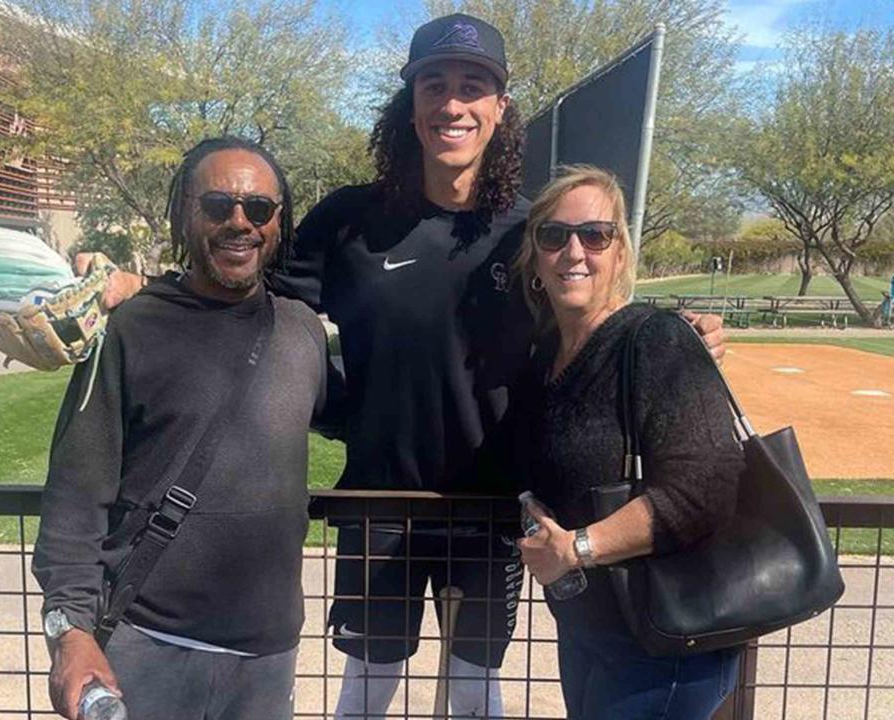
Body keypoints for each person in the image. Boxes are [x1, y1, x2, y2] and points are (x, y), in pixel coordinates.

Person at [84, 14, 727, 718]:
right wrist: (139, 288)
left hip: (492, 512)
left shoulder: (530, 230)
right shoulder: (348, 222)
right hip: (378, 506)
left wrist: (683, 335)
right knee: (366, 692)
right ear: (412, 104)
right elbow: (238, 290)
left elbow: (591, 315)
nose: (453, 103)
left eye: (473, 87)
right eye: (436, 85)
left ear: (499, 108)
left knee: (475, 696)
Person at [33, 137, 341, 720]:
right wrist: (69, 632)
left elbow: (369, 415)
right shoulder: (130, 329)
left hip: (267, 655)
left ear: (278, 223)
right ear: (185, 212)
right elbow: (75, 494)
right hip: (147, 644)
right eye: (218, 204)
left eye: (258, 209)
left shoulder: (299, 331)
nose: (239, 222)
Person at [514, 165, 744, 720]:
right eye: (554, 235)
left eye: (595, 235)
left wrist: (577, 549)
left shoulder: (655, 340)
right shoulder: (546, 357)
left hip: (665, 646)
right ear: (535, 257)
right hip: (591, 632)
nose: (574, 251)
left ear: (619, 253)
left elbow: (705, 489)